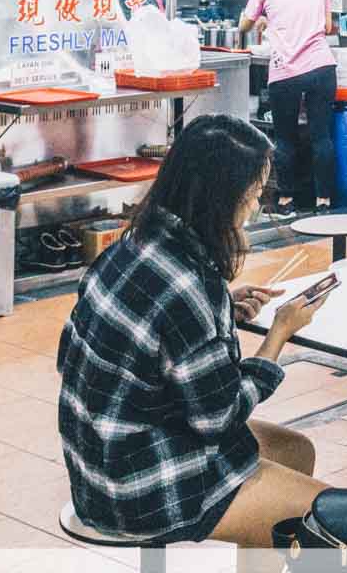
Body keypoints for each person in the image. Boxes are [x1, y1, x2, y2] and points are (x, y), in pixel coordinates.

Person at [57, 115, 330, 547]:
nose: (257, 206)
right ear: (222, 197)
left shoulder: (139, 244)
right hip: (141, 488)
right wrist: (277, 335)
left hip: (97, 464)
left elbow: (151, 342)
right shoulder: (188, 283)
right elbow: (218, 418)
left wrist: (225, 308)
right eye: (255, 193)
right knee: (340, 520)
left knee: (297, 453)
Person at [241, 0, 337, 214]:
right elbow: (328, 26)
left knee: (285, 138)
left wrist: (263, 20)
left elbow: (244, 25)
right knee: (322, 136)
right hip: (321, 67)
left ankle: (286, 201)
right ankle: (324, 202)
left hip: (285, 73)